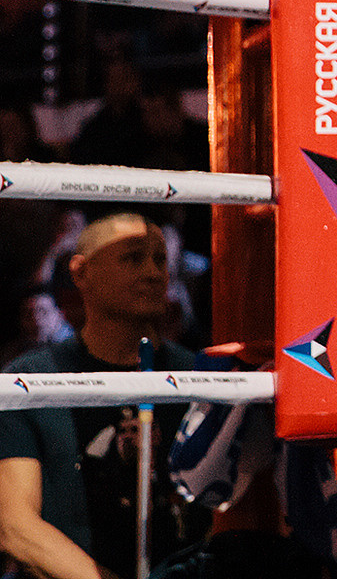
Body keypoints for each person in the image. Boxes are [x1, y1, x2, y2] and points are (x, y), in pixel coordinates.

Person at [0, 214, 203, 579]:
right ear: (81, 273)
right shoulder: (29, 380)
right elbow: (15, 527)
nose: (154, 273)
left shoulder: (199, 377)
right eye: (132, 257)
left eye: (160, 259)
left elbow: (230, 512)